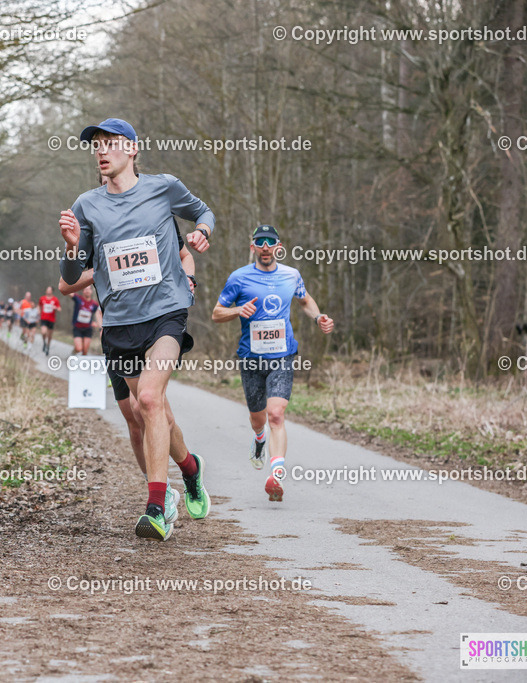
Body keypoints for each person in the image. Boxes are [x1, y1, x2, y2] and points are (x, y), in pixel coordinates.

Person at [59, 117, 214, 541]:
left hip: (166, 312)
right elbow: (71, 279)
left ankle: (157, 507)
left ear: (131, 148)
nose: (101, 152)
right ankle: (191, 468)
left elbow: (202, 211)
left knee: (148, 397)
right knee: (149, 414)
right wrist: (73, 247)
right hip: (121, 322)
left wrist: (202, 231)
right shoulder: (87, 205)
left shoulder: (163, 187)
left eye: (109, 144)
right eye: (96, 146)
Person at [212, 224, 334, 502]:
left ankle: (276, 474)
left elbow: (305, 300)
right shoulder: (239, 278)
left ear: (279, 246)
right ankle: (259, 440)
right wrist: (237, 310)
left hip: (283, 355)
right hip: (251, 358)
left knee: (276, 414)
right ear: (253, 246)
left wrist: (319, 317)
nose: (265, 246)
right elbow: (216, 314)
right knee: (259, 418)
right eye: (260, 241)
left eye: (271, 242)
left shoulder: (291, 275)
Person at [70, 286, 102, 355]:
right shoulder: (78, 299)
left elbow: (99, 313)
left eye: (89, 289)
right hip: (77, 327)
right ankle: (74, 352)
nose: (87, 291)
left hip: (88, 329)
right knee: (79, 348)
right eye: (85, 289)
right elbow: (69, 292)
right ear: (83, 291)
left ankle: (81, 364)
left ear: (91, 291)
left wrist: (97, 323)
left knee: (85, 351)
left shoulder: (94, 304)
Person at [38, 286, 62, 355]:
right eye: (47, 289)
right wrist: (39, 311)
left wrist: (56, 308)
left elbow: (60, 309)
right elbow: (39, 306)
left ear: (52, 291)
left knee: (49, 335)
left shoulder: (55, 299)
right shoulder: (42, 298)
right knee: (43, 332)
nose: (48, 291)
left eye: (49, 290)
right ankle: (44, 343)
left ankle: (48, 346)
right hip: (43, 318)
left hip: (51, 320)